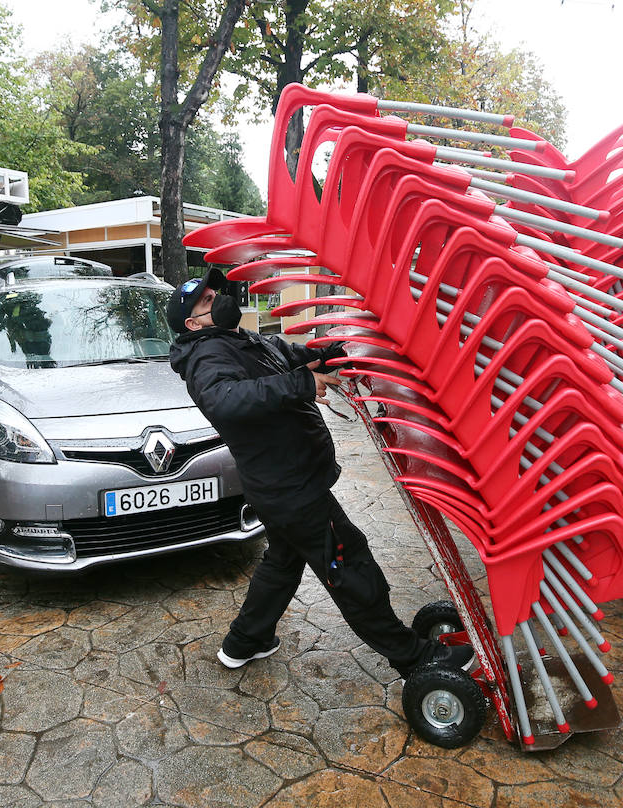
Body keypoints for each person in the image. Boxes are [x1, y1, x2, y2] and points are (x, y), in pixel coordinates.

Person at [167, 269, 473, 678]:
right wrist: (300, 384)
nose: (219, 299)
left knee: (282, 561)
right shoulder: (206, 357)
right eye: (207, 300)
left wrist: (351, 349)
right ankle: (413, 657)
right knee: (349, 565)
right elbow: (224, 400)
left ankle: (244, 642)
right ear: (192, 324)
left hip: (285, 483)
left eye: (214, 292)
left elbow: (297, 355)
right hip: (289, 488)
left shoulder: (243, 341)